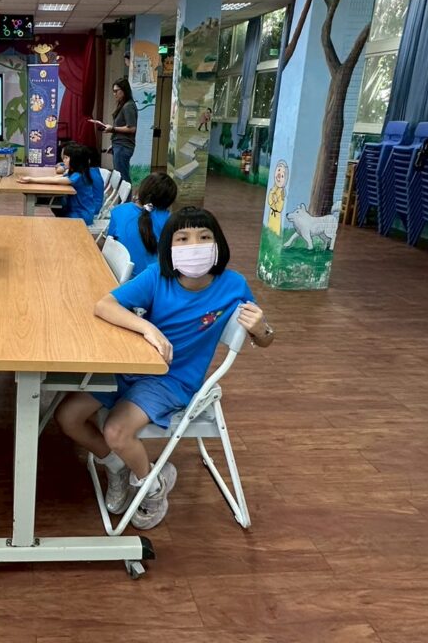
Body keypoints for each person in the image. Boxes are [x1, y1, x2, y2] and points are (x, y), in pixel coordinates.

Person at [55, 207, 274, 529]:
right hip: (133, 364)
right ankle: (118, 467)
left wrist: (262, 328)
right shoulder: (158, 276)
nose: (194, 245)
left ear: (218, 244)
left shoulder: (233, 285)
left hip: (173, 380)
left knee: (116, 430)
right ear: (169, 246)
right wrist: (148, 329)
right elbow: (104, 305)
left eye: (204, 237)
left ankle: (152, 486)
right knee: (68, 417)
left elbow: (265, 339)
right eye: (182, 238)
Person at [108, 172, 178, 279]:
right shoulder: (168, 220)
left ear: (141, 189)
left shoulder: (118, 211)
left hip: (117, 274)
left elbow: (110, 242)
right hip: (152, 280)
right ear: (168, 201)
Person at [16, 142, 96, 225]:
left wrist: (32, 179)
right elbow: (55, 178)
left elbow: (56, 180)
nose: (63, 160)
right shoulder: (75, 172)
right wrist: (32, 179)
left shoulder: (79, 175)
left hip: (81, 215)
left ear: (75, 160)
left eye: (66, 158)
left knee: (55, 216)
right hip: (73, 210)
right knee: (55, 205)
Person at [103, 78, 137, 184]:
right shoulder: (123, 105)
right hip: (119, 144)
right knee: (120, 176)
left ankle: (127, 195)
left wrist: (112, 129)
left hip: (124, 146)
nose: (114, 94)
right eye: (113, 91)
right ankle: (123, 195)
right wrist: (114, 144)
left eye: (116, 91)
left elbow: (132, 128)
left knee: (123, 178)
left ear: (124, 90)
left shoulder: (128, 106)